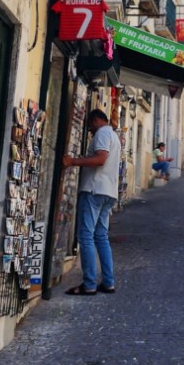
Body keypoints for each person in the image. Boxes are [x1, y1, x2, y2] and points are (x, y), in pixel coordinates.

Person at [62, 109, 120, 295]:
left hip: (94, 189)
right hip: (108, 191)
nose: (90, 131)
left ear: (96, 121)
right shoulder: (114, 136)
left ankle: (89, 284)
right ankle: (108, 282)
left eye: (90, 126)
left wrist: (73, 162)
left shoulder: (102, 133)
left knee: (85, 236)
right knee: (101, 236)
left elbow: (100, 158)